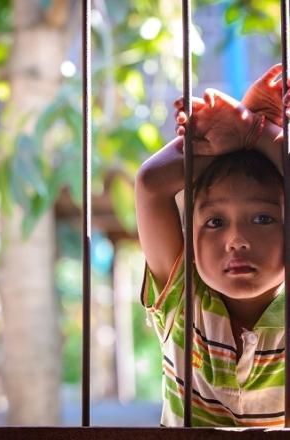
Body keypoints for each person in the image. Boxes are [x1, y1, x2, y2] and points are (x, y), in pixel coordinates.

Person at [135, 64, 290, 427]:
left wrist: (254, 131)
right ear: (189, 235)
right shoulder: (180, 297)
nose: (236, 240)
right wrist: (224, 136)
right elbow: (150, 184)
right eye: (215, 222)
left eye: (263, 219)